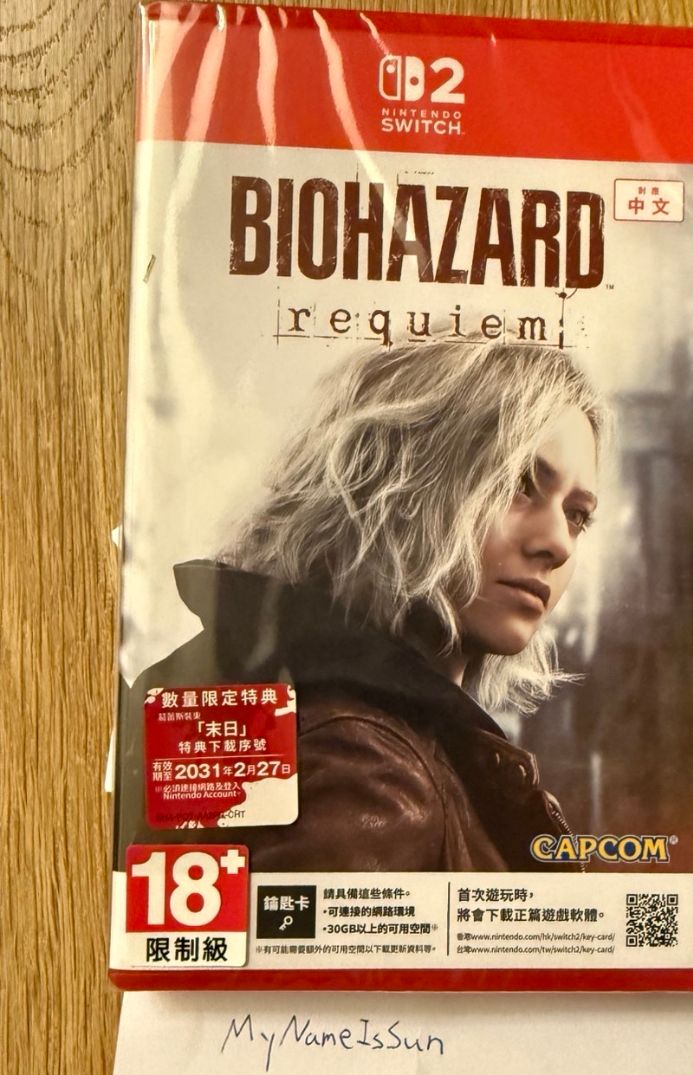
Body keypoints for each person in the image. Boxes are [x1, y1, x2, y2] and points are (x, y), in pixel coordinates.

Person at [116, 341, 604, 873]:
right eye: (518, 483)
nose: (559, 544)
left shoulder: (275, 696)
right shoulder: (372, 775)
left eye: (577, 515)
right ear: (398, 481)